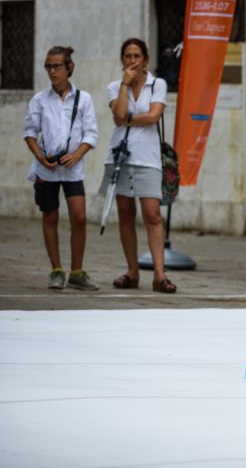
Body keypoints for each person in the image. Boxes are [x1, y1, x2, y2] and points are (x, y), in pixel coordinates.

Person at [99, 38, 176, 293]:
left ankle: (159, 275)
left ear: (146, 60)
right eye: (128, 56)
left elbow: (154, 115)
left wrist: (127, 119)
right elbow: (118, 114)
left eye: (137, 56)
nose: (132, 61)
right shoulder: (114, 87)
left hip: (148, 157)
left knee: (152, 214)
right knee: (125, 214)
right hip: (120, 157)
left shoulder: (158, 84)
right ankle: (132, 272)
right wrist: (124, 84)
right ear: (123, 60)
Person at [23, 46, 99, 290]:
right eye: (48, 66)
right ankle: (56, 270)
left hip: (73, 169)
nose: (52, 71)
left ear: (70, 68)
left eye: (57, 66)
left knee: (79, 216)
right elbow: (29, 132)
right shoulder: (39, 100)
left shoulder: (83, 99)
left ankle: (77, 271)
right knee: (51, 216)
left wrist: (77, 155)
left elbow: (91, 134)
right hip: (47, 169)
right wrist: (41, 157)